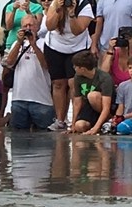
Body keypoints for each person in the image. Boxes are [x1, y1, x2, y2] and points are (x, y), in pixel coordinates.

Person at [43, 0, 94, 132]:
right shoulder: (55, 3)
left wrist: (71, 13)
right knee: (58, 83)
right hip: (55, 45)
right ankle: (60, 119)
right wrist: (58, 10)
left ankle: (76, 119)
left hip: (78, 46)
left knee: (74, 83)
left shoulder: (84, 5)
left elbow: (78, 30)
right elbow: (49, 26)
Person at [7, 15, 55, 130]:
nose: (28, 28)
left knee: (45, 140)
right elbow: (9, 62)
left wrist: (34, 45)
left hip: (41, 100)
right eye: (25, 26)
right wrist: (19, 43)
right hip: (19, 98)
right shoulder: (16, 44)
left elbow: (46, 65)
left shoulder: (45, 43)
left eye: (31, 25)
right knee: (18, 139)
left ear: (37, 27)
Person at [71, 50, 115, 135]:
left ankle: (106, 121)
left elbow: (106, 107)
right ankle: (96, 124)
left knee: (92, 96)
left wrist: (95, 129)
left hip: (105, 106)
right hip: (89, 107)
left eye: (75, 66)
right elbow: (77, 101)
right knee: (79, 126)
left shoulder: (104, 78)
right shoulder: (78, 77)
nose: (74, 68)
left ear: (82, 69)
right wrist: (73, 124)